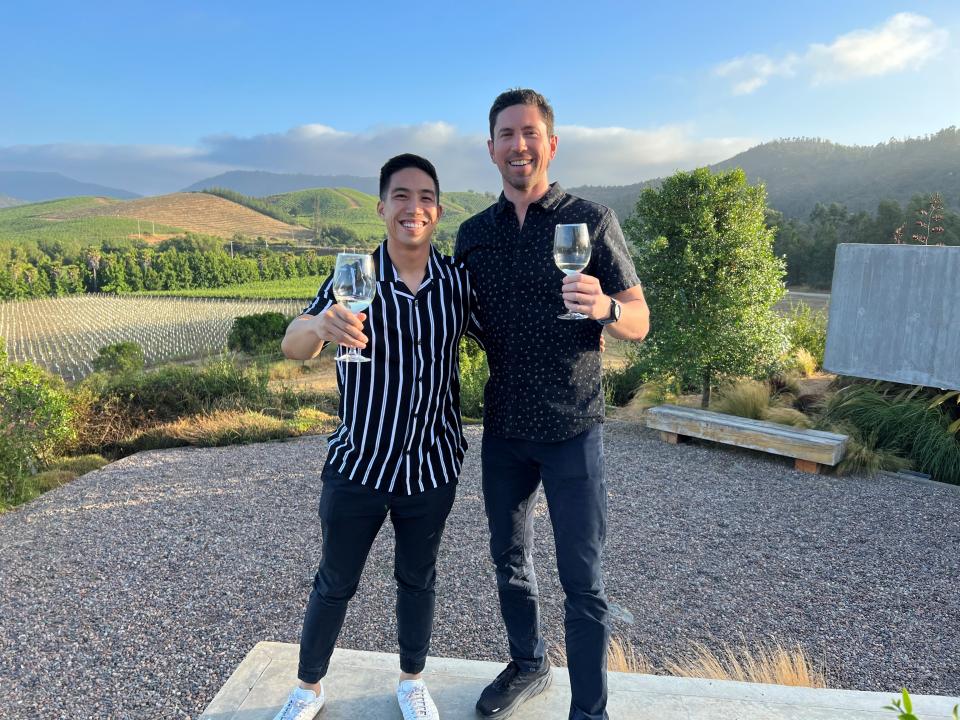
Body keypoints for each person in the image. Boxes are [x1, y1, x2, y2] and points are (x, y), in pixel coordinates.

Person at [454, 89, 650, 720]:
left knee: (582, 581)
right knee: (509, 561)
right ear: (490, 149)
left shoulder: (591, 219)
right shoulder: (474, 235)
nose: (519, 145)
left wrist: (609, 308)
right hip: (505, 426)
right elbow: (455, 318)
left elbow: (640, 319)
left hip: (573, 428)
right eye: (506, 134)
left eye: (530, 132)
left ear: (551, 143)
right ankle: (529, 662)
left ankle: (588, 710)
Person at [274, 153, 481, 720]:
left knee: (418, 580)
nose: (413, 208)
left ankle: (412, 681)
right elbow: (293, 343)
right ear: (382, 207)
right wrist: (319, 326)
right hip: (359, 464)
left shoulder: (457, 283)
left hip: (431, 467)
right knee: (335, 582)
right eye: (401, 196)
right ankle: (307, 688)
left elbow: (506, 334)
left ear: (437, 210)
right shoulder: (353, 277)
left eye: (425, 198)